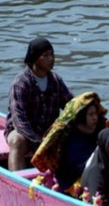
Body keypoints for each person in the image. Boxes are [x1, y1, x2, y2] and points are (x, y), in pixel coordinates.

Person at [5, 37, 73, 171]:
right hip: (23, 133)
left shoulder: (55, 80)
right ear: (35, 58)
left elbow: (70, 106)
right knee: (17, 141)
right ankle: (17, 182)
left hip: (48, 132)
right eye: (46, 55)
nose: (51, 59)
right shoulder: (21, 83)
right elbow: (20, 120)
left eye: (52, 55)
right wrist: (39, 141)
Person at [31, 92, 107, 192]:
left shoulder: (96, 133)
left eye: (96, 114)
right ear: (82, 116)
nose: (95, 118)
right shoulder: (72, 142)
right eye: (91, 114)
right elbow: (82, 169)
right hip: (74, 184)